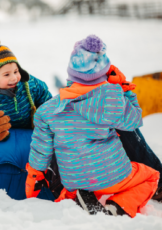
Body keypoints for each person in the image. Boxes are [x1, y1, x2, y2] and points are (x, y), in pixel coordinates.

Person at [26, 35, 160, 217]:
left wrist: (34, 181)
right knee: (151, 176)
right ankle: (119, 206)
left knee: (73, 182)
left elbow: (41, 153)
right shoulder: (112, 99)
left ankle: (76, 196)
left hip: (73, 180)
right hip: (112, 177)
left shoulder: (48, 110)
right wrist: (124, 89)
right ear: (105, 72)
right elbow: (134, 121)